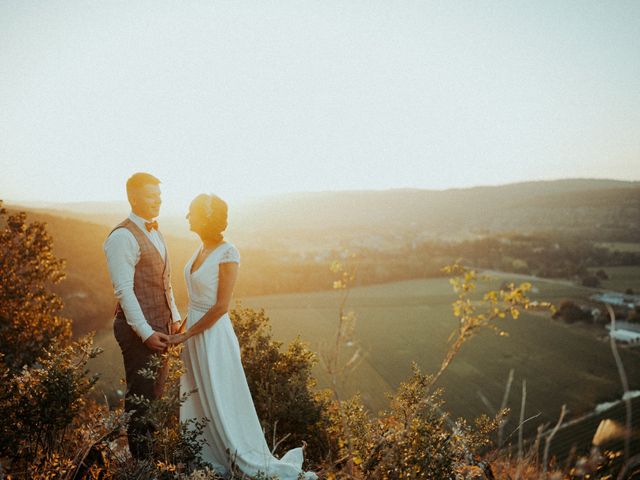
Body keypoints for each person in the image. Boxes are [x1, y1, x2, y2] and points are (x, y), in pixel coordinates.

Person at [168, 193, 317, 479]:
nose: (187, 217)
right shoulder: (199, 249)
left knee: (221, 396)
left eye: (192, 212)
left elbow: (220, 306)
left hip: (214, 337)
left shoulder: (228, 252)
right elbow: (197, 300)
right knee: (196, 396)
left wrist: (184, 336)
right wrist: (182, 329)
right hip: (195, 334)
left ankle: (240, 455)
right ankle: (203, 457)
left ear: (207, 218)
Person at [103, 172, 183, 459]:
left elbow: (165, 281)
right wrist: (146, 332)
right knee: (141, 400)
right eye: (152, 196)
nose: (158, 202)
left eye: (160, 197)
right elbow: (124, 291)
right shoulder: (122, 237)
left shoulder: (156, 232)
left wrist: (174, 317)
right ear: (133, 197)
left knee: (155, 397)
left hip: (161, 327)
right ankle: (141, 465)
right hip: (137, 330)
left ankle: (152, 458)